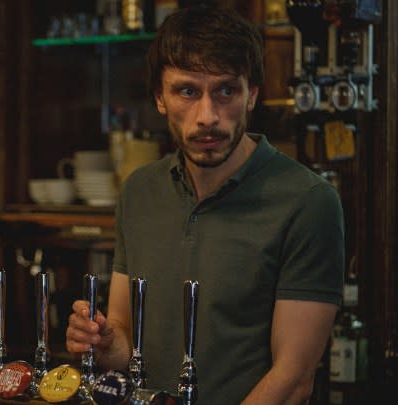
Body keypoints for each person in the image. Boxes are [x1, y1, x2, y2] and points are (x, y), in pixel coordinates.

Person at [66, 6, 344, 405]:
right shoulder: (139, 191)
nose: (207, 116)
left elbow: (293, 379)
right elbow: (128, 348)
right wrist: (104, 343)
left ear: (253, 95)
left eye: (226, 90)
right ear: (160, 98)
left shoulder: (308, 202)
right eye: (187, 91)